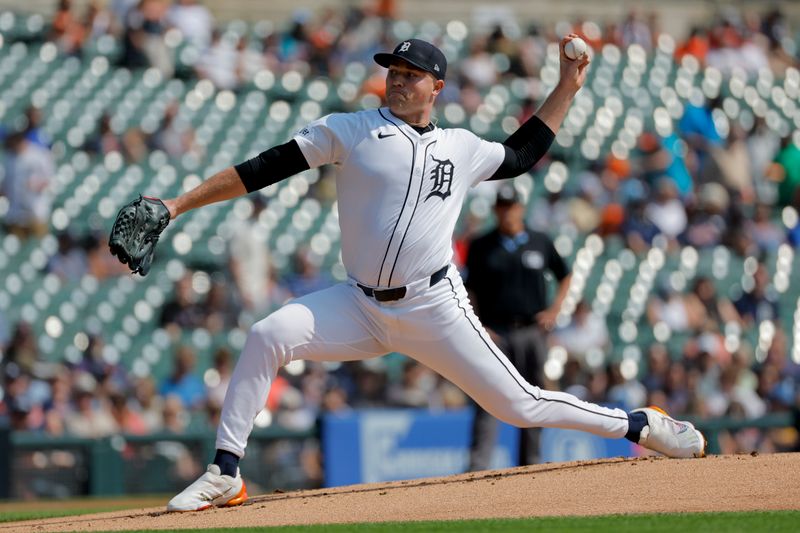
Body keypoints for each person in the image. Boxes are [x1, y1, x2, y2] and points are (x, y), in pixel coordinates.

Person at [145, 36, 704, 512]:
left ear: (438, 87)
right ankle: (226, 473)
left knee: (520, 406)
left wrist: (566, 86)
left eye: (412, 75)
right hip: (360, 306)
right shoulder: (351, 129)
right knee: (267, 334)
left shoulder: (460, 147)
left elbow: (522, 154)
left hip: (433, 306)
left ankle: (637, 425)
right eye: (394, 71)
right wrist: (176, 205)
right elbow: (263, 168)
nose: (398, 80)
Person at [465, 183, 572, 470]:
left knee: (534, 396)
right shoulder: (481, 246)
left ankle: (531, 465)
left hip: (530, 329)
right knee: (487, 396)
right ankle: (478, 467)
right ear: (495, 210)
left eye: (511, 206)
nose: (507, 212)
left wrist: (554, 309)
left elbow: (565, 274)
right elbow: (469, 289)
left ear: (521, 208)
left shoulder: (540, 241)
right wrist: (477, 324)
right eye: (502, 207)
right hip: (495, 332)